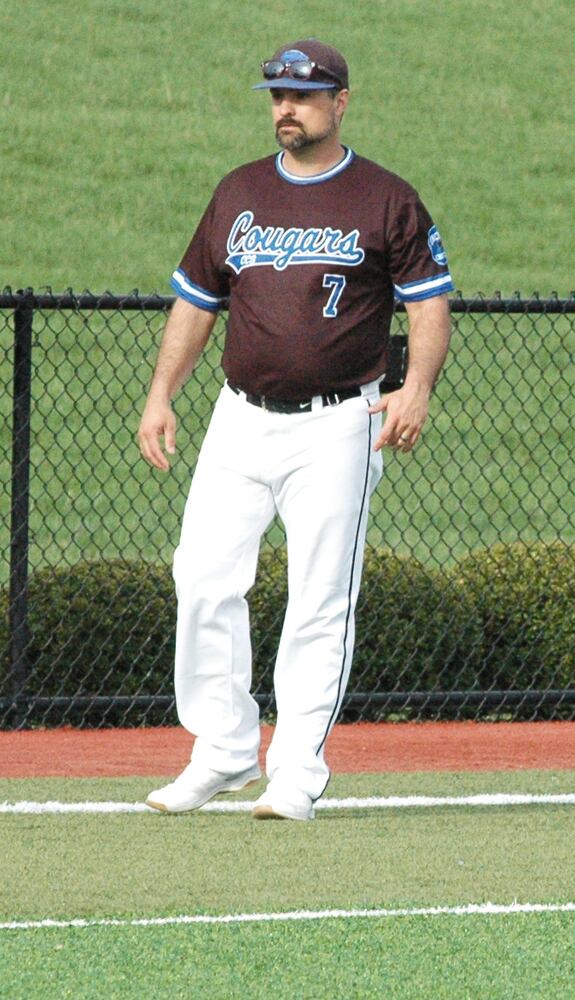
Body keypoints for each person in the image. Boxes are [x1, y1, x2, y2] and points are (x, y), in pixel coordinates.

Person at [137, 39, 453, 821]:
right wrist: (160, 393)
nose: (286, 107)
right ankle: (221, 749)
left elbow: (428, 302)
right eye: (276, 94)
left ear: (340, 102)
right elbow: (195, 301)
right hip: (239, 416)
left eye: (303, 96)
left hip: (340, 421)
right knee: (202, 575)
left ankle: (296, 771)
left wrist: (415, 386)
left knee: (319, 598)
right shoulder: (240, 192)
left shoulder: (385, 198)